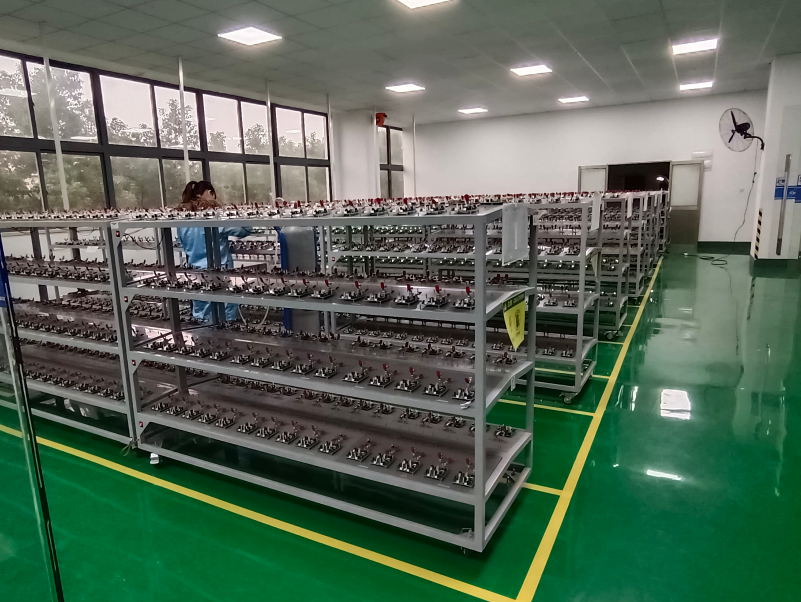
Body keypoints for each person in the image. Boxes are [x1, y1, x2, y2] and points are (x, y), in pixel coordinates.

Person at [176, 181, 251, 322]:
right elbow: (245, 230)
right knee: (225, 313)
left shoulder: (182, 221)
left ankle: (203, 334)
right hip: (219, 271)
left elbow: (182, 241)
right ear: (210, 193)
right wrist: (239, 214)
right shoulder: (214, 218)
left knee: (201, 312)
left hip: (195, 271)